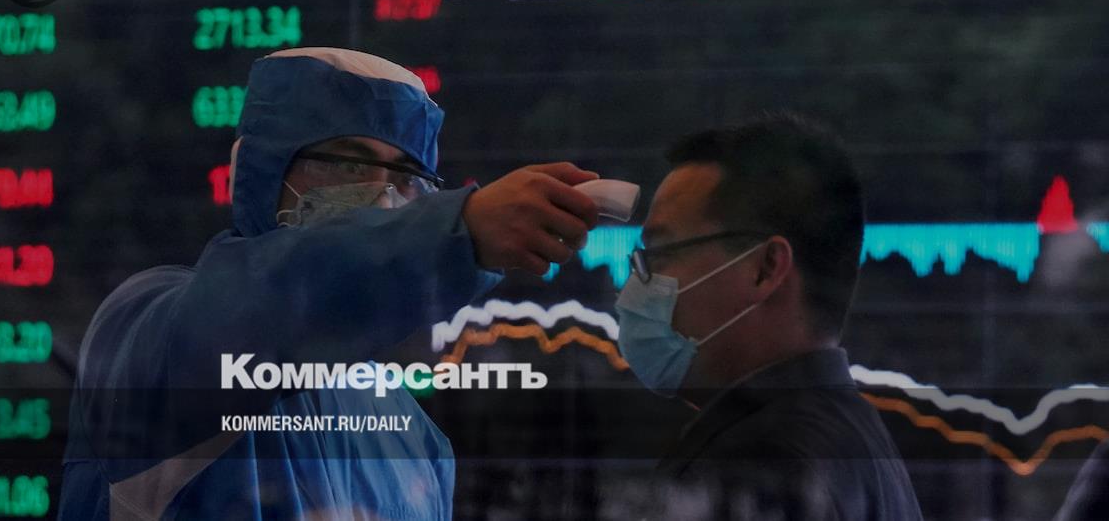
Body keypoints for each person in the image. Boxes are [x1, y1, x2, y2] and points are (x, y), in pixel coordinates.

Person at [58, 47, 600, 520]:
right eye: (347, 166)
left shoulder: (414, 439)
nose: (381, 199)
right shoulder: (152, 333)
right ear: (261, 172)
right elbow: (279, 298)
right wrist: (462, 229)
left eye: (406, 178)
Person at [614, 112, 922, 519]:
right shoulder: (849, 435)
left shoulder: (762, 463)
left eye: (660, 253)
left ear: (765, 268)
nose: (634, 285)